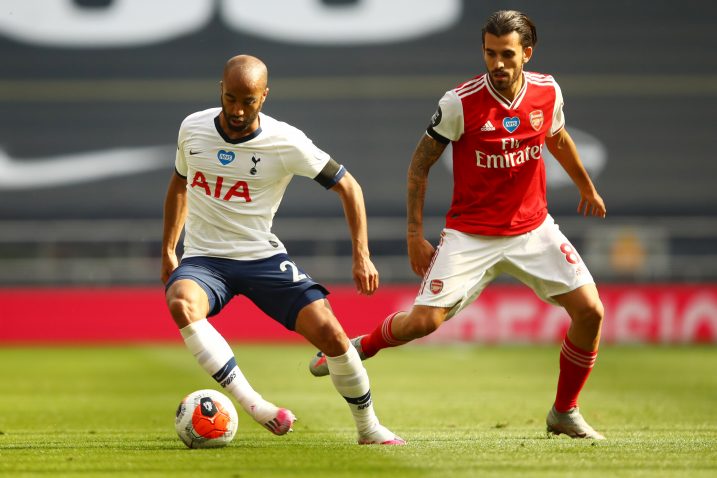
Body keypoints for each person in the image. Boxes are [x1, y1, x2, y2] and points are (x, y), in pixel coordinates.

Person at [309, 10, 607, 440]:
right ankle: (359, 347)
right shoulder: (460, 103)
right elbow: (419, 165)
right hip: (471, 236)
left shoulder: (547, 91)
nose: (497, 64)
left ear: (527, 53)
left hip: (533, 229)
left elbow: (557, 138)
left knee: (591, 311)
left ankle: (564, 411)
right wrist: (414, 235)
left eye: (507, 55)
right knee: (423, 323)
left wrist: (586, 186)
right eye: (490, 54)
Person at [161, 54, 404, 445]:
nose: (238, 110)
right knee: (181, 302)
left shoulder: (284, 141)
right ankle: (256, 405)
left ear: (265, 96)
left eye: (249, 101)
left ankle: (369, 428)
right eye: (231, 98)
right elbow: (178, 186)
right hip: (205, 259)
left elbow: (349, 187)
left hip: (262, 257)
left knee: (333, 336)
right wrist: (169, 249)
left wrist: (362, 254)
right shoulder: (192, 128)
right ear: (220, 90)